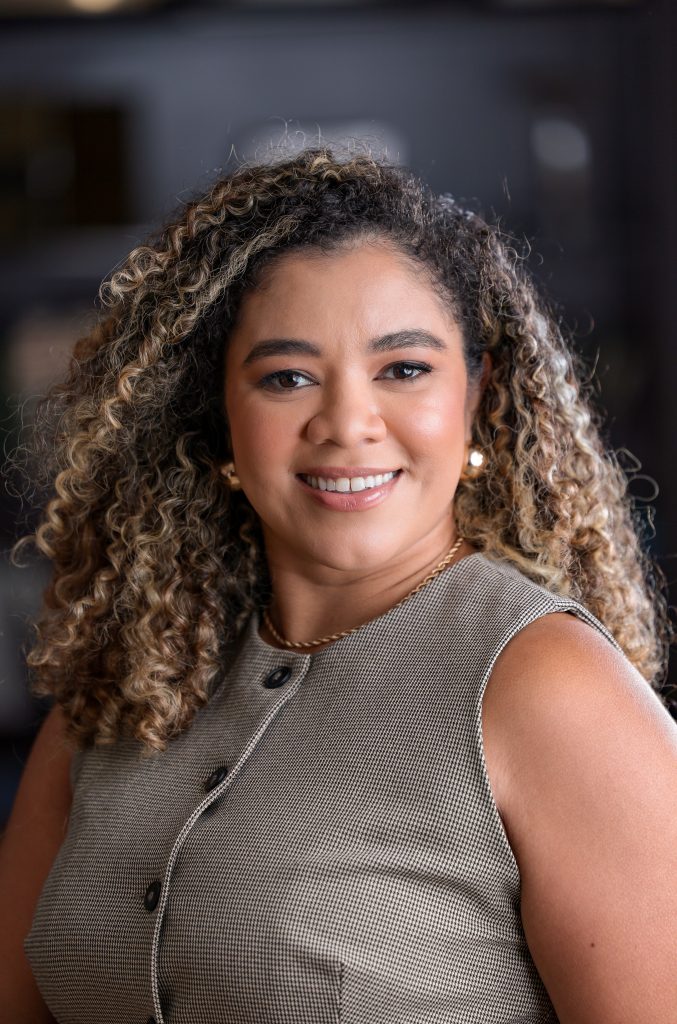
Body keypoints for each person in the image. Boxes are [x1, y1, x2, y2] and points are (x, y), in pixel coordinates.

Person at [1, 147, 675, 1024]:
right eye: (286, 378)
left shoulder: (547, 687)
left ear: (476, 396)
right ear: (216, 417)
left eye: (403, 369)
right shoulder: (125, 683)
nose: (347, 423)